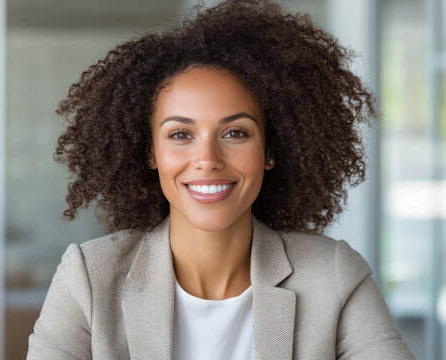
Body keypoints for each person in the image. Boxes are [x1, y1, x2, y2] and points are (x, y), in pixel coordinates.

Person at [27, 0, 415, 358]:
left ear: (271, 150)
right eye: (180, 135)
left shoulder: (334, 277)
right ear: (149, 152)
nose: (207, 160)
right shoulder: (88, 278)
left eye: (235, 133)